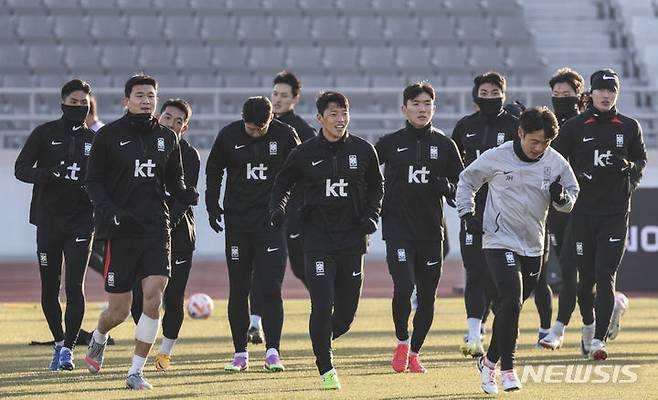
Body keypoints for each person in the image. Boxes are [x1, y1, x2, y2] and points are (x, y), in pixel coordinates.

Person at [83, 74, 198, 390]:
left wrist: (186, 193)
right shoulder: (107, 136)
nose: (146, 100)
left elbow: (174, 182)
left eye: (151, 95)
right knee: (118, 311)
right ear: (126, 101)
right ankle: (99, 335)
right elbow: (93, 183)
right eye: (139, 95)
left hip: (156, 230)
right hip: (120, 232)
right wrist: (113, 214)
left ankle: (135, 372)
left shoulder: (167, 138)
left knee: (153, 297)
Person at [456, 107, 579, 394]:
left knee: (512, 309)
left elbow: (572, 194)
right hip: (498, 240)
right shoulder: (496, 156)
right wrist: (467, 213)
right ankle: (508, 370)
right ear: (520, 133)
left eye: (545, 143)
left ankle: (488, 363)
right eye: (534, 141)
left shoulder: (555, 161)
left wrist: (562, 199)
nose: (539, 148)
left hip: (534, 244)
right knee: (510, 301)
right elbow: (466, 180)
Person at [269, 91, 383, 390]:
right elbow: (282, 182)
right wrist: (277, 208)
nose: (340, 119)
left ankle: (321, 339)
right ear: (320, 119)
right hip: (317, 238)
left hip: (353, 239)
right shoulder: (304, 153)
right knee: (322, 303)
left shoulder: (363, 150)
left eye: (344, 113)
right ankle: (326, 366)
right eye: (333, 114)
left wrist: (372, 215)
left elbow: (376, 187)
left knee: (345, 315)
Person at [551, 69, 646, 360]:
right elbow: (555, 160)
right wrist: (563, 185)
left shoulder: (629, 126)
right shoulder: (576, 126)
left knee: (606, 274)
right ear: (590, 93)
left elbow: (640, 159)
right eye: (601, 90)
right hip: (582, 213)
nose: (606, 95)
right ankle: (589, 327)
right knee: (586, 279)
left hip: (616, 213)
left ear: (617, 93)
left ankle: (598, 341)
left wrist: (629, 169)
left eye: (612, 90)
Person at [205, 96, 300, 373]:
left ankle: (273, 352)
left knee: (271, 288)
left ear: (271, 120)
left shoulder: (285, 136)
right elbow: (214, 170)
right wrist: (213, 205)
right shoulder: (229, 135)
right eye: (250, 128)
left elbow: (299, 172)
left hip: (271, 223)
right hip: (238, 224)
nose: (255, 133)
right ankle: (239, 353)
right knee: (239, 288)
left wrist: (287, 206)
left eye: (260, 129)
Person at [375, 82, 464, 373]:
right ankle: (401, 341)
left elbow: (461, 188)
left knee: (427, 297)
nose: (421, 109)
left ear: (434, 108)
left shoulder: (445, 144)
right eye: (415, 103)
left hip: (430, 231)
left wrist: (447, 186)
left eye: (427, 103)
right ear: (404, 109)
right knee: (403, 287)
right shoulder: (388, 143)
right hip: (398, 228)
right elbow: (365, 172)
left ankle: (414, 353)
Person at [15, 79, 96, 371]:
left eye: (83, 103)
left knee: (75, 286)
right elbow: (21, 170)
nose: (79, 108)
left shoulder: (95, 140)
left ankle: (69, 351)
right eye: (73, 103)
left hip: (82, 222)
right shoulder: (44, 133)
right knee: (50, 287)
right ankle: (59, 342)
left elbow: (107, 180)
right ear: (63, 103)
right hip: (48, 221)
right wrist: (49, 173)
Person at [129, 98, 200, 372]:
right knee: (139, 296)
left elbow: (184, 199)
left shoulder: (189, 155)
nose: (172, 123)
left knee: (174, 298)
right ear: (159, 117)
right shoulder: (143, 146)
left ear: (185, 128)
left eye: (179, 121)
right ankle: (144, 343)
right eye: (168, 117)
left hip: (178, 236)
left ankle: (165, 353)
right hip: (142, 235)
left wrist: (162, 225)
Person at [451, 71, 519, 357]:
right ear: (475, 97)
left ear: (503, 94)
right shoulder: (465, 126)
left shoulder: (516, 125)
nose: (489, 97)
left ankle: (491, 324)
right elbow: (454, 167)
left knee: (499, 277)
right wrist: (457, 195)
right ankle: (473, 333)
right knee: (475, 271)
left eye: (495, 93)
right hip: (473, 212)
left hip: (507, 211)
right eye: (484, 93)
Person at [247, 71, 317, 345]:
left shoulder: (301, 130)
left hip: (295, 212)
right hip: (265, 212)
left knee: (301, 268)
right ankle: (255, 323)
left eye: (284, 96)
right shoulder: (256, 124)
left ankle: (325, 305)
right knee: (260, 268)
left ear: (295, 99)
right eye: (275, 94)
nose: (277, 100)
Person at [537, 67, 586, 349]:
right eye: (556, 95)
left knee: (572, 269)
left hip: (582, 209)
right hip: (554, 208)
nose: (560, 99)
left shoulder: (586, 125)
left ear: (577, 96)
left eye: (566, 94)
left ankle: (560, 328)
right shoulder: (549, 126)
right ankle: (603, 313)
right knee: (565, 270)